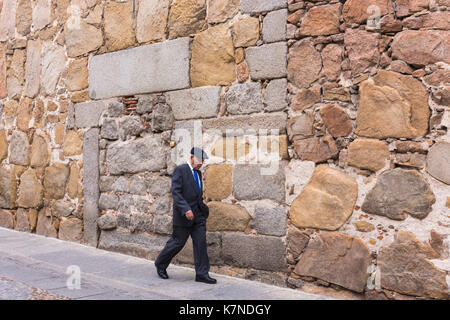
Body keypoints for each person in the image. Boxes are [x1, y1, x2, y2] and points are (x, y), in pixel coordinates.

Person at [154, 147, 216, 284]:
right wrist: (186, 209)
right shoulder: (180, 170)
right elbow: (176, 193)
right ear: (192, 157)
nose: (201, 163)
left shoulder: (198, 173)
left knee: (200, 244)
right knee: (177, 243)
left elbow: (197, 194)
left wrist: (202, 209)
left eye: (203, 161)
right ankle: (160, 263)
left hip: (198, 216)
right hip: (183, 215)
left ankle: (201, 274)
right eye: (199, 160)